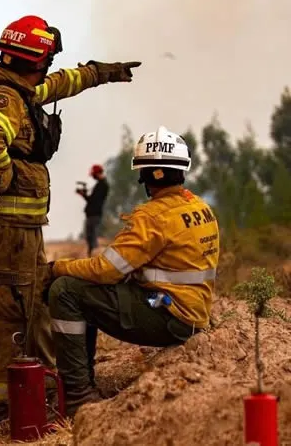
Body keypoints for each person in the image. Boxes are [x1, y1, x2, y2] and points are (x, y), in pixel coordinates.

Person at [0, 14, 141, 432]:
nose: (48, 66)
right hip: (8, 227)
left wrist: (100, 74)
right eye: (46, 58)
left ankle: (26, 397)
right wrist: (1, 175)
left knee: (28, 308)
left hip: (21, 228)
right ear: (34, 58)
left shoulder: (24, 89)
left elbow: (62, 83)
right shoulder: (6, 99)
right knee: (10, 315)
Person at [47, 126, 220, 417]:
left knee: (65, 290)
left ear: (147, 176)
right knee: (84, 290)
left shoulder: (152, 217)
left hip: (167, 314)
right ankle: (81, 386)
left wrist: (56, 267)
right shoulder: (201, 208)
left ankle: (77, 397)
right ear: (182, 170)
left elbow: (105, 270)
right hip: (192, 313)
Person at [77, 164, 110, 257]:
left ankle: (95, 256)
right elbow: (93, 199)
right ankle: (91, 255)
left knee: (92, 236)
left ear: (97, 173)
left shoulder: (102, 185)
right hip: (93, 214)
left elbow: (93, 200)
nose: (93, 176)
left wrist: (83, 194)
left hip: (94, 215)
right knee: (90, 237)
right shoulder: (101, 184)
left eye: (93, 174)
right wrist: (84, 195)